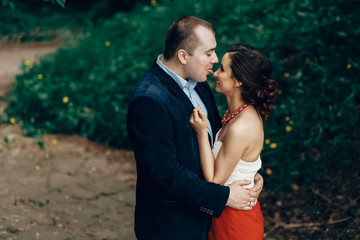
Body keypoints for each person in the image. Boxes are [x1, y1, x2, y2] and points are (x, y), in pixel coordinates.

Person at [126, 16, 264, 240]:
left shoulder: (198, 82)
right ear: (183, 55)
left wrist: (247, 172)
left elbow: (221, 139)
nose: (215, 59)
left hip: (209, 222)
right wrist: (224, 197)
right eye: (208, 53)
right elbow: (165, 175)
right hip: (173, 227)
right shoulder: (149, 100)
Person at [189, 43, 278, 240]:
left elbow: (214, 180)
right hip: (225, 212)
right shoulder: (236, 113)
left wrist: (202, 133)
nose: (215, 73)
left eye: (222, 69)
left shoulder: (241, 126)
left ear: (237, 80)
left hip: (235, 222)